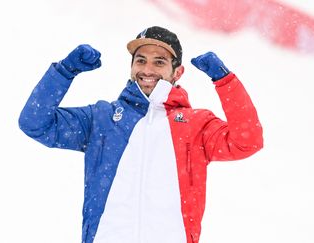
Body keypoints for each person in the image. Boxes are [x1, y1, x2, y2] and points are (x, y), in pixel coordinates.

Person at [19, 26, 263, 243]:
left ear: (177, 72)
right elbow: (35, 122)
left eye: (159, 62)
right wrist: (65, 71)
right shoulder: (102, 118)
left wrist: (225, 80)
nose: (147, 69)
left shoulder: (195, 124)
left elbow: (247, 141)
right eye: (140, 60)